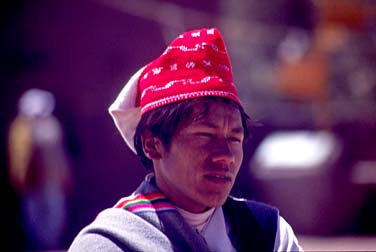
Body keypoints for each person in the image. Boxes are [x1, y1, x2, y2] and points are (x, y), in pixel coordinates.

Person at [68, 27, 303, 252]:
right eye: (205, 135)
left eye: (234, 138)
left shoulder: (267, 233)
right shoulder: (110, 244)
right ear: (153, 144)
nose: (226, 155)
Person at [8, 88, 73, 251]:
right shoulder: (20, 128)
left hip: (52, 180)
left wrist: (64, 175)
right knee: (33, 216)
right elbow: (18, 157)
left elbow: (59, 154)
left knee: (55, 214)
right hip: (31, 181)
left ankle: (51, 244)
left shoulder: (52, 126)